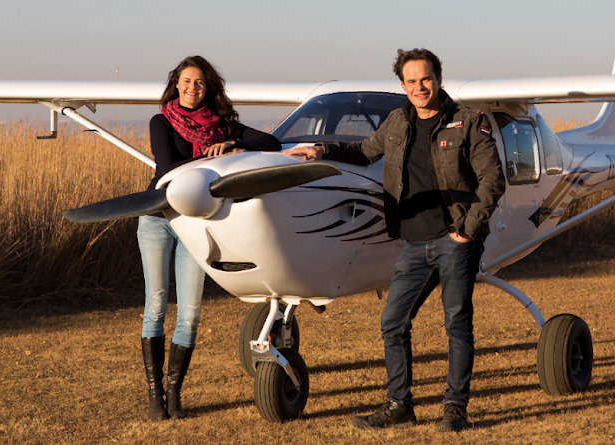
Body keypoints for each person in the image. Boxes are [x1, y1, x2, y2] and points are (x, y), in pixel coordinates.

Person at [286, 48, 505, 432]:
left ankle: (455, 409)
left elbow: (492, 180)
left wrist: (467, 229)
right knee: (393, 322)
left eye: (426, 78)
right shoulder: (397, 123)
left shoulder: (469, 122)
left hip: (455, 239)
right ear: (402, 85)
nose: (419, 87)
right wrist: (322, 150)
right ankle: (399, 405)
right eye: (411, 81)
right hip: (413, 242)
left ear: (438, 78)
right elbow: (364, 151)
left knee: (456, 323)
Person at [139, 55, 282, 421]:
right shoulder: (162, 121)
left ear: (208, 88)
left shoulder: (223, 126)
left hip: (197, 223)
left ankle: (175, 394)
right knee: (156, 305)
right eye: (186, 81)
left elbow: (271, 143)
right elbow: (168, 166)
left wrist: (233, 147)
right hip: (157, 220)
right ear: (176, 84)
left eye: (199, 82)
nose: (192, 88)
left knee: (189, 313)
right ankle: (155, 396)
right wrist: (209, 156)